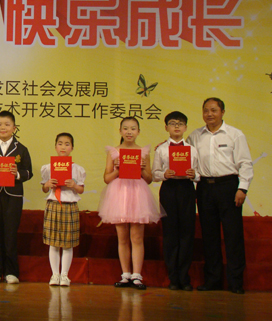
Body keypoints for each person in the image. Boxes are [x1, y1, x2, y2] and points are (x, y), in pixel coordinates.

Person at [187, 98, 253, 294]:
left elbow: (245, 163)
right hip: (204, 187)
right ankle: (213, 280)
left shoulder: (234, 134)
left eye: (214, 110)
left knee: (233, 236)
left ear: (222, 112)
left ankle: (235, 282)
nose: (209, 114)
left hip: (229, 187)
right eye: (206, 110)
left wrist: (242, 188)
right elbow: (183, 154)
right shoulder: (195, 136)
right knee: (209, 236)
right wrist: (166, 146)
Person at [98, 117, 161, 290]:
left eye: (133, 128)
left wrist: (141, 169)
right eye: (125, 128)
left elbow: (148, 179)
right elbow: (107, 178)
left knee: (137, 237)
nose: (129, 132)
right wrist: (118, 169)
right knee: (123, 237)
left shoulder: (143, 152)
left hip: (138, 195)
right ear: (120, 131)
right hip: (119, 195)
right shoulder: (114, 152)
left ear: (138, 131)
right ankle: (125, 274)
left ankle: (137, 276)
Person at [0, 111, 33, 284]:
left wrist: (17, 174)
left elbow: (29, 172)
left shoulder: (21, 149)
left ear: (14, 128)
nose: (3, 128)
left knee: (10, 233)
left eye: (7, 125)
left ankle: (11, 272)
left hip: (13, 195)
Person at [152, 111, 199, 291]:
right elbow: (155, 174)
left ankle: (184, 278)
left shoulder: (192, 149)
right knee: (170, 232)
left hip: (187, 189)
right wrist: (164, 174)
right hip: (169, 190)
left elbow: (200, 173)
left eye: (180, 123)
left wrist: (194, 175)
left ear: (185, 127)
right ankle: (173, 277)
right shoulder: (161, 149)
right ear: (166, 127)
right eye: (172, 123)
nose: (177, 126)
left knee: (187, 232)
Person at [40, 133, 85, 287]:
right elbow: (44, 188)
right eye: (60, 143)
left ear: (72, 147)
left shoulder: (77, 169)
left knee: (67, 243)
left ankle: (65, 275)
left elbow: (81, 189)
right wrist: (47, 185)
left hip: (69, 205)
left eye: (67, 144)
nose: (63, 147)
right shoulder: (48, 168)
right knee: (53, 242)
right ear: (55, 146)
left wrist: (74, 185)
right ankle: (55, 275)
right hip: (53, 204)